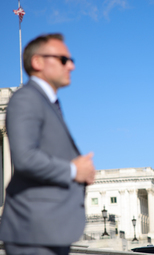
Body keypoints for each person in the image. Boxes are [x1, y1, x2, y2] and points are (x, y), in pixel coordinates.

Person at [0, 33, 96, 255]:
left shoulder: (47, 103)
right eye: (63, 59)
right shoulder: (26, 99)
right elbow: (25, 158)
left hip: (49, 230)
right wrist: (74, 170)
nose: (71, 65)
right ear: (38, 62)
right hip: (34, 231)